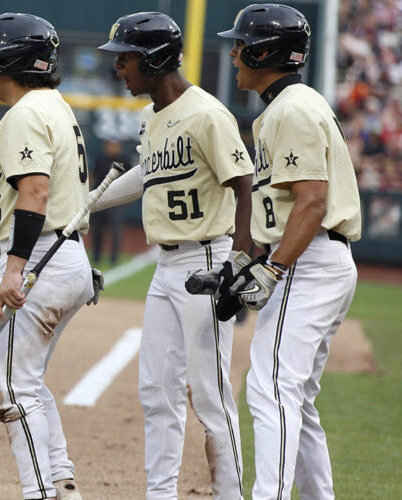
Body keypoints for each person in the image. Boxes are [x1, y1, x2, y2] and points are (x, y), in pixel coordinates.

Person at [94, 12, 254, 499]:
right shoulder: (151, 117)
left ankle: (230, 494)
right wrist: (86, 205)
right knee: (156, 391)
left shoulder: (207, 114)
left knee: (209, 394)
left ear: (155, 60)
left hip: (207, 261)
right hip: (166, 267)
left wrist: (239, 263)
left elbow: (244, 185)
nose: (118, 67)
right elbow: (147, 174)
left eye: (126, 58)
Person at [218, 5, 361, 499]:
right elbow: (281, 208)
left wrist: (273, 268)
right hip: (314, 257)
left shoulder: (292, 109)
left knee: (271, 388)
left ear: (263, 52)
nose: (234, 53)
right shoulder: (289, 106)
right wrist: (244, 263)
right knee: (293, 397)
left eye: (241, 45)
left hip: (308, 259)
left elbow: (313, 201)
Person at [0, 13, 95, 500]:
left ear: (7, 60)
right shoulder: (53, 106)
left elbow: (37, 191)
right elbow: (46, 188)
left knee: (10, 388)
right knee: (27, 380)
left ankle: (41, 492)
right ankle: (60, 481)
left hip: (43, 259)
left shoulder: (23, 113)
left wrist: (15, 266)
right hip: (63, 253)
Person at [90, 138, 127, 265]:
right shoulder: (100, 158)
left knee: (115, 231)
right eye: (110, 145)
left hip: (115, 201)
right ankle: (96, 256)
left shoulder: (124, 159)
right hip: (99, 199)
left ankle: (114, 258)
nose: (113, 148)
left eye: (115, 145)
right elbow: (92, 176)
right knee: (97, 230)